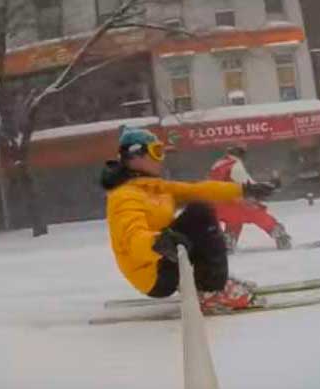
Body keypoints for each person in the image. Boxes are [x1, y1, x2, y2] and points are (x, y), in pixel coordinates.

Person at [101, 128, 278, 313]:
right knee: (200, 213)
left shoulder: (155, 187)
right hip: (152, 273)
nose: (161, 159)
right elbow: (131, 238)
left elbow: (199, 189)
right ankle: (211, 290)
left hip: (165, 257)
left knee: (200, 208)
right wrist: (157, 242)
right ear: (135, 156)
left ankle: (212, 281)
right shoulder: (124, 196)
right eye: (156, 152)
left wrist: (245, 190)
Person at [208, 144, 292, 251]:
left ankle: (228, 242)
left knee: (234, 220)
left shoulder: (218, 164)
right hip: (232, 200)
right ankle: (281, 236)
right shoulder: (234, 165)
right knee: (258, 214)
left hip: (216, 203)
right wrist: (272, 185)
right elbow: (249, 186)